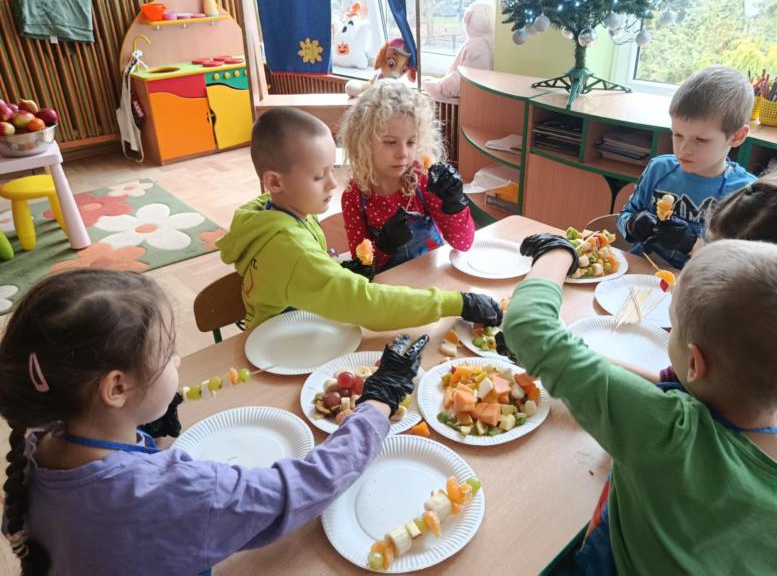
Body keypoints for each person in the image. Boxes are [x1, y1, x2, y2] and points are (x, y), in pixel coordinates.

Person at [0, 269, 427, 575]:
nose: (177, 360)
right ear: (116, 388)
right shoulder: (175, 491)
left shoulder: (38, 443)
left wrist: (142, 430)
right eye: (168, 352)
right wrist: (378, 402)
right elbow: (304, 487)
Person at [501, 235, 777, 572]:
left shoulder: (669, 433)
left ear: (694, 364)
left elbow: (528, 326)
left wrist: (558, 251)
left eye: (674, 326)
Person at [217, 106, 500, 330]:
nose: (332, 184)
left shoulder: (276, 211)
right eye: (318, 176)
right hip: (282, 340)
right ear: (275, 182)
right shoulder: (291, 248)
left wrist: (454, 203)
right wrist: (456, 304)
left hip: (301, 320)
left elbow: (321, 276)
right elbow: (365, 304)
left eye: (331, 170)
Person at [648, 166, 777, 445]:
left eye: (716, 263)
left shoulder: (774, 397)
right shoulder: (759, 337)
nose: (701, 267)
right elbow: (675, 383)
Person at [617, 65, 756, 268]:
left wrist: (693, 244)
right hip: (641, 273)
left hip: (696, 282)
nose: (683, 149)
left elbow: (741, 266)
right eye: (677, 134)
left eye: (700, 140)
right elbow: (624, 216)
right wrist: (632, 224)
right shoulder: (659, 169)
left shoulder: (747, 193)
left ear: (737, 136)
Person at [339, 81, 475, 272]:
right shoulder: (354, 196)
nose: (403, 153)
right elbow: (363, 266)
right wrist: (383, 246)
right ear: (363, 141)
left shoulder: (423, 181)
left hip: (430, 277)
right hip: (388, 284)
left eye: (411, 142)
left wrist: (455, 204)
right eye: (390, 142)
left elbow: (464, 243)